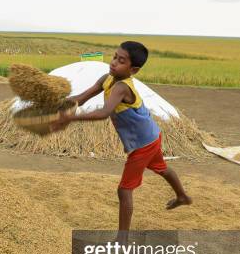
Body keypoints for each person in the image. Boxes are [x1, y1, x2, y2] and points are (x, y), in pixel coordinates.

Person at [50, 41, 192, 233]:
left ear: (133, 70)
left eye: (121, 60)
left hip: (143, 144)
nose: (114, 62)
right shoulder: (106, 78)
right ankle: (182, 196)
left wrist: (70, 118)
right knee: (162, 168)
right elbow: (81, 98)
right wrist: (56, 104)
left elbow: (104, 113)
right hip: (150, 135)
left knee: (124, 190)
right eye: (115, 57)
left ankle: (122, 240)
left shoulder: (122, 88)